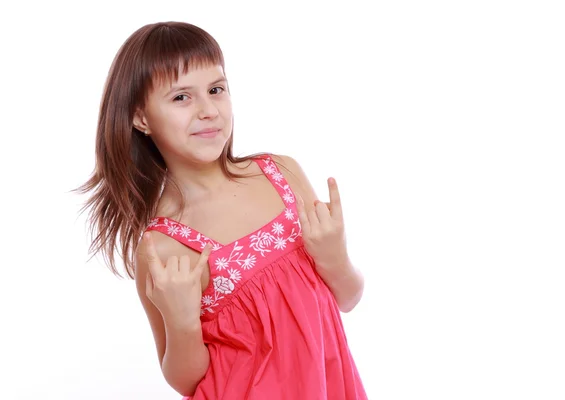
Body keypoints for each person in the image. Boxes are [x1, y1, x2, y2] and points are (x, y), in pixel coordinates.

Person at [77, 21, 367, 399]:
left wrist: (335, 257)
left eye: (216, 90)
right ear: (141, 117)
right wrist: (181, 321)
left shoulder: (281, 173)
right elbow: (185, 380)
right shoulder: (163, 246)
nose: (208, 110)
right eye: (181, 97)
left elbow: (347, 297)